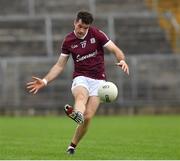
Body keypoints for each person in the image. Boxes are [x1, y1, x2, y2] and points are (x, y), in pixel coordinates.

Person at [26, 11, 129, 155]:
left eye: (85, 28)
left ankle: (72, 146)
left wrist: (122, 60)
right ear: (75, 22)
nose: (81, 30)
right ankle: (77, 114)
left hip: (99, 81)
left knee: (88, 117)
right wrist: (44, 80)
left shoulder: (97, 34)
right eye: (79, 26)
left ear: (89, 27)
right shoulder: (68, 40)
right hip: (81, 77)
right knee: (81, 97)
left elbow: (115, 50)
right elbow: (59, 65)